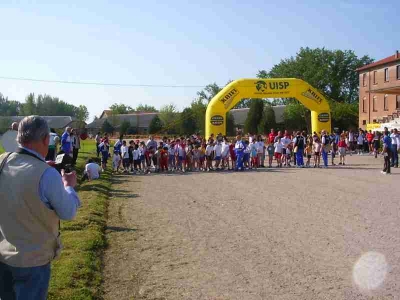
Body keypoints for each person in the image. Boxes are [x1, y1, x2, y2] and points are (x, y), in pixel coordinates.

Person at [0, 116, 80, 300]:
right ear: (45, 139)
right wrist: (68, 186)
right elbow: (68, 212)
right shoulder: (47, 174)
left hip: (3, 254)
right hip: (33, 261)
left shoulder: (2, 161)